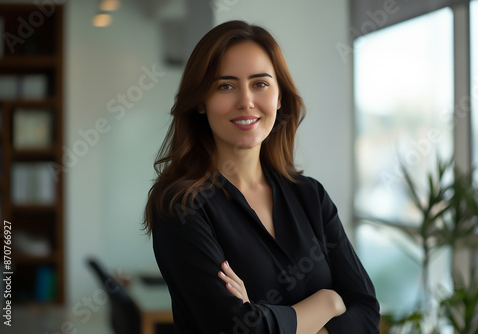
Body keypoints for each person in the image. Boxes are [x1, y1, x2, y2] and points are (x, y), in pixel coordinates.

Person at [144, 20, 380, 333]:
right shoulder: (180, 205)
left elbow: (366, 314)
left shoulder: (310, 196)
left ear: (280, 97)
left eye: (260, 84)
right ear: (201, 101)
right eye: (225, 86)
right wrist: (327, 303)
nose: (246, 101)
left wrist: (262, 315)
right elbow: (237, 329)